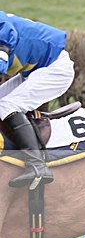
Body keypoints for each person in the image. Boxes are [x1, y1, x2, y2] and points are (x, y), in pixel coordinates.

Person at [0, 11, 74, 188]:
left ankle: (37, 167)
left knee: (6, 106)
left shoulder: (2, 30)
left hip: (55, 69)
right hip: (35, 71)